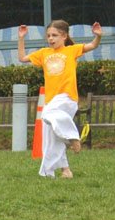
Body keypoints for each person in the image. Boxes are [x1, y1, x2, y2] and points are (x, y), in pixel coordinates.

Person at [18, 20, 102, 179]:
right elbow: (22, 58)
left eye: (54, 35)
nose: (50, 38)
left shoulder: (71, 51)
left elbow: (92, 45)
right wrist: (21, 38)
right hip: (51, 100)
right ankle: (64, 170)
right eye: (48, 35)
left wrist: (97, 36)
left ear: (64, 36)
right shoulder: (43, 53)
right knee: (51, 137)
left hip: (67, 98)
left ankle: (72, 136)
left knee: (46, 115)